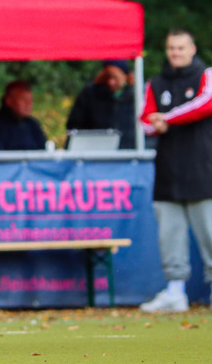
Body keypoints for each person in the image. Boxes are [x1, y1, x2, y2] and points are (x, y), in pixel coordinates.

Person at [139, 29, 212, 312]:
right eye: (171, 48)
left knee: (209, 233)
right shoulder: (156, 83)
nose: (175, 53)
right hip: (168, 171)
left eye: (180, 48)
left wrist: (167, 119)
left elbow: (205, 104)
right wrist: (156, 124)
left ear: (192, 49)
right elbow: (145, 120)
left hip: (202, 170)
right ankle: (175, 292)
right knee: (170, 235)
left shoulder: (206, 75)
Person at [66, 59, 137, 149]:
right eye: (107, 77)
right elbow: (75, 124)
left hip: (128, 150)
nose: (111, 82)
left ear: (125, 76)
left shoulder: (136, 95)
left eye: (115, 78)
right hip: (96, 150)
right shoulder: (90, 93)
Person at [0, 80, 48, 151]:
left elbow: (43, 151)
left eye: (30, 100)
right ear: (9, 101)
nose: (29, 104)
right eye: (23, 99)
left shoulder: (33, 125)